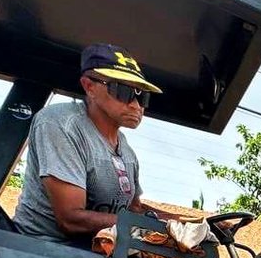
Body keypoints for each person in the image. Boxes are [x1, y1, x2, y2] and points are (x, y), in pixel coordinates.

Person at [14, 43, 177, 244]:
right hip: (43, 249)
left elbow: (135, 210)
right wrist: (147, 226)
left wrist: (187, 223)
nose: (136, 106)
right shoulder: (60, 125)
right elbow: (71, 220)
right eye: (123, 91)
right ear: (90, 86)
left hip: (98, 251)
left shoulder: (127, 151)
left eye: (142, 96)